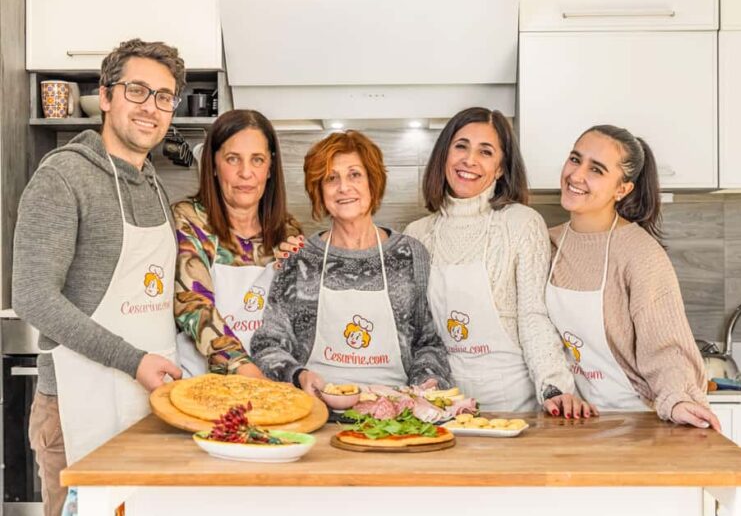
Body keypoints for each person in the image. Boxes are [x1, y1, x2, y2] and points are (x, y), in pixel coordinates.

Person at [13, 38, 186, 516]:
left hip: (148, 404)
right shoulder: (63, 177)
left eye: (164, 96)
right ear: (105, 96)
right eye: (136, 90)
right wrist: (133, 361)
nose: (151, 107)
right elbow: (32, 296)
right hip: (75, 405)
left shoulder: (153, 183)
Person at [405, 107, 593, 416]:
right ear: (444, 155)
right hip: (442, 406)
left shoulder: (521, 224)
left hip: (512, 404)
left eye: (486, 152)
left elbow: (533, 315)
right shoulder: (417, 234)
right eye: (461, 146)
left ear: (501, 168)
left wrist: (553, 387)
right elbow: (417, 332)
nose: (469, 160)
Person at [545, 124, 720, 430]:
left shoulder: (640, 254)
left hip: (636, 421)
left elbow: (666, 348)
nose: (576, 175)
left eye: (596, 169)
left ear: (622, 189)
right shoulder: (547, 243)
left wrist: (678, 400)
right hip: (572, 423)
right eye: (575, 159)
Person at [250, 130, 452, 393]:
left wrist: (427, 382)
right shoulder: (300, 259)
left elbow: (429, 342)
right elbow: (267, 344)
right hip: (318, 409)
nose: (344, 187)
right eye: (331, 178)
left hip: (397, 412)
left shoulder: (410, 254)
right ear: (319, 191)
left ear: (373, 182)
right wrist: (298, 375)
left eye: (354, 174)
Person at [172, 109, 300, 378]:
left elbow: (298, 319)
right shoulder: (188, 219)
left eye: (257, 160)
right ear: (214, 165)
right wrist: (242, 367)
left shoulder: (288, 231)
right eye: (233, 159)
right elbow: (193, 305)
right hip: (202, 382)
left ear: (269, 168)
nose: (246, 173)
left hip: (271, 379)